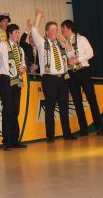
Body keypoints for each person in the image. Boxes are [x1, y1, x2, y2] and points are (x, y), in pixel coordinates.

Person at [31, 8, 76, 143]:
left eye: (56, 30)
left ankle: (67, 133)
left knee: (64, 107)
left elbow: (71, 53)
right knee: (50, 107)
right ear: (46, 32)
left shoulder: (61, 44)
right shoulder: (42, 43)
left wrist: (65, 42)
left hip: (62, 79)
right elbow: (34, 31)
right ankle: (50, 136)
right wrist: (39, 16)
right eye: (52, 30)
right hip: (49, 79)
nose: (54, 32)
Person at [61, 19, 103, 136]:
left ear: (69, 28)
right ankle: (83, 129)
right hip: (71, 74)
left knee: (91, 99)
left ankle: (99, 126)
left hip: (83, 71)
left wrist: (78, 59)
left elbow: (91, 53)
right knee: (77, 102)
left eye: (63, 29)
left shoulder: (81, 39)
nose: (62, 31)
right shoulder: (64, 43)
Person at [0, 23, 28, 151]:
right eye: (16, 32)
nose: (18, 34)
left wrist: (24, 68)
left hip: (17, 80)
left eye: (18, 32)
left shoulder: (20, 49)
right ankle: (6, 141)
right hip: (6, 80)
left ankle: (15, 140)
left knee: (15, 111)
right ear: (10, 34)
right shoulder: (3, 45)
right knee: (8, 110)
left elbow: (23, 65)